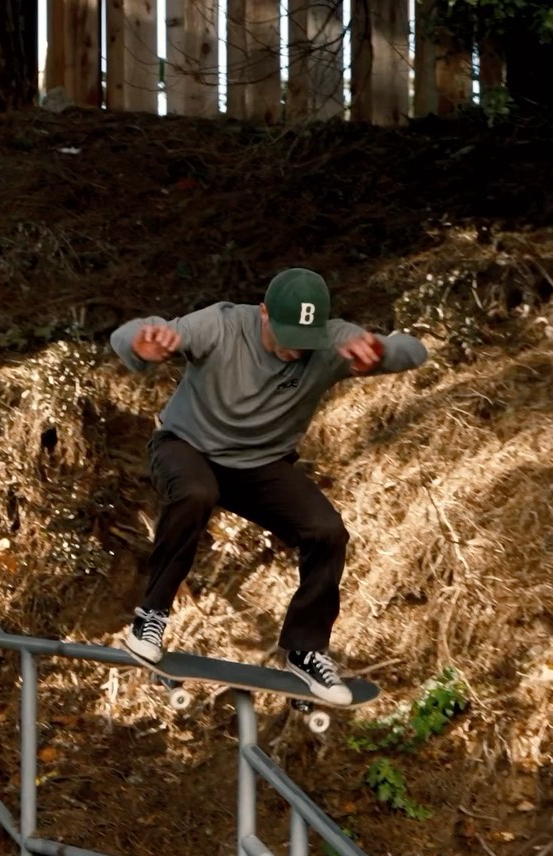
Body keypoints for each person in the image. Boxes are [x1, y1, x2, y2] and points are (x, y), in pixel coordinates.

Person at [110, 267, 427, 707]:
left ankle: (305, 649)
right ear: (262, 313)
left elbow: (414, 350)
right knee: (196, 493)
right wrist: (139, 345)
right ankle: (151, 616)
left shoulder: (335, 340)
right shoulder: (220, 324)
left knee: (326, 531)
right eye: (287, 336)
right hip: (186, 446)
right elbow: (130, 335)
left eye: (306, 340)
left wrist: (382, 352)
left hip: (258, 465)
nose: (296, 349)